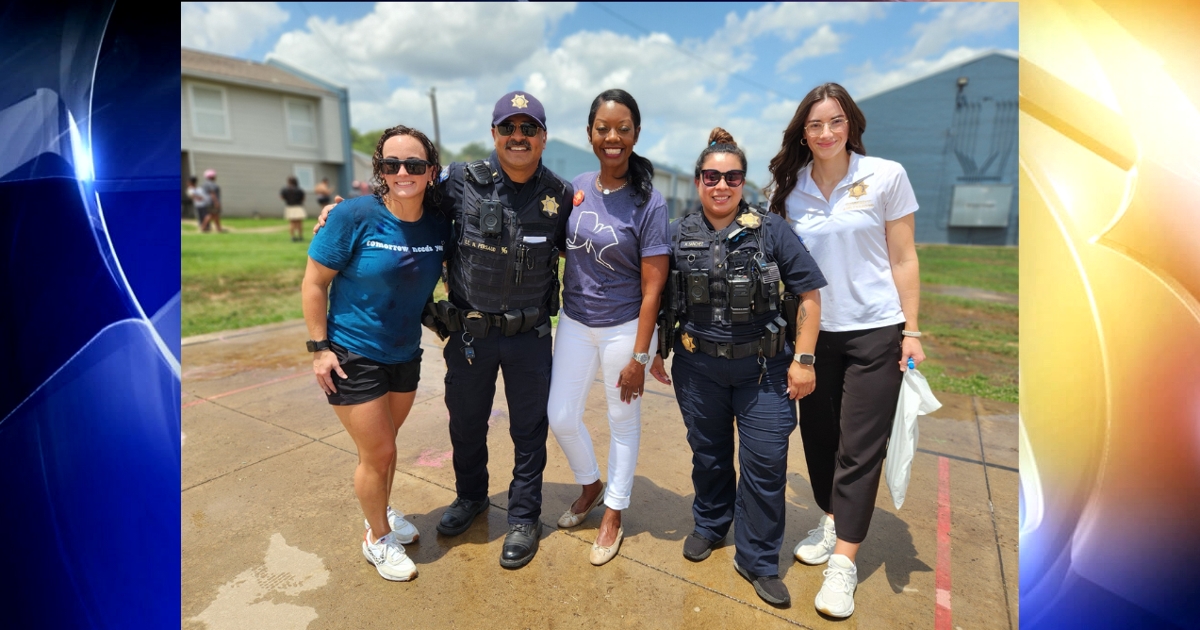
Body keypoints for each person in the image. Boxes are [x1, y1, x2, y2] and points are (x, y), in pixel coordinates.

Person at [316, 92, 574, 570]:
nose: (518, 137)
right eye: (508, 128)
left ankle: (523, 516)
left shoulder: (560, 194)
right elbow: (400, 197)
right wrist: (342, 211)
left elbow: (576, 249)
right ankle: (471, 497)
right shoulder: (458, 183)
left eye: (528, 129)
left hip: (529, 337)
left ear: (542, 136)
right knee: (466, 425)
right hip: (470, 336)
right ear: (494, 133)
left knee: (528, 430)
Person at [768, 82, 925, 618]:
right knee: (818, 437)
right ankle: (831, 517)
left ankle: (844, 564)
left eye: (836, 121)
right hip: (813, 335)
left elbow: (903, 258)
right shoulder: (791, 190)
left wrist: (913, 331)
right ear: (803, 134)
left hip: (876, 330)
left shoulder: (885, 176)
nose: (827, 132)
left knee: (860, 448)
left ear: (850, 124)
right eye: (815, 125)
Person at [649, 128, 825, 607]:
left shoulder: (772, 230)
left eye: (732, 176)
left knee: (765, 464)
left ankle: (759, 559)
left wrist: (804, 361)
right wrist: (655, 353)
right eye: (711, 176)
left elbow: (809, 294)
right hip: (697, 367)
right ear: (698, 180)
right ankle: (710, 523)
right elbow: (657, 294)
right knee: (707, 454)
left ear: (744, 181)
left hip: (765, 371)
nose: (721, 185)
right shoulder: (678, 232)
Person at [300, 125, 449, 582]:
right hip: (352, 353)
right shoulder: (352, 216)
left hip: (405, 351)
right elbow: (313, 283)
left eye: (414, 165)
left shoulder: (440, 220)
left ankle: (378, 513)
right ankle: (377, 539)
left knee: (385, 447)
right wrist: (319, 349)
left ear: (431, 172)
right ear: (379, 170)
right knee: (378, 450)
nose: (402, 172)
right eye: (391, 164)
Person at [546, 89, 670, 566]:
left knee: (623, 423)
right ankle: (591, 484)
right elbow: (563, 244)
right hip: (575, 321)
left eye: (622, 128)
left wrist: (641, 357)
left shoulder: (649, 203)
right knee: (560, 415)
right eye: (603, 128)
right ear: (590, 133)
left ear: (635, 134)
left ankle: (614, 512)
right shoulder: (577, 185)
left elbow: (653, 288)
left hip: (625, 328)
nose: (612, 137)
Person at [281, 176, 307, 242]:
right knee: (299, 223)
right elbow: (303, 198)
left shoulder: (285, 189)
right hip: (298, 207)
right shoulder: (299, 190)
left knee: (291, 222)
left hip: (289, 207)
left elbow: (282, 197)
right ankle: (300, 236)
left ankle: (292, 237)